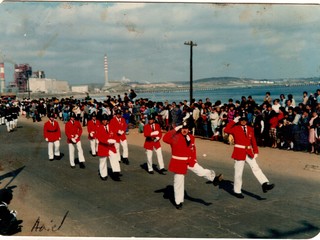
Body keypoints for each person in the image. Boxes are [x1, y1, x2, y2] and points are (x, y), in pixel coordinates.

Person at [163, 121, 223, 210]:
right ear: (180, 129)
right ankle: (178, 202)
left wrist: (194, 159)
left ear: (189, 130)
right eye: (183, 129)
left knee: (200, 171)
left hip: (189, 160)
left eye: (186, 129)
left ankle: (214, 178)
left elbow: (193, 148)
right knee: (179, 182)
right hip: (178, 162)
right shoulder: (175, 137)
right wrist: (175, 129)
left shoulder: (191, 137)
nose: (184, 130)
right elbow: (165, 138)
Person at [224, 113, 275, 198]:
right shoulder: (235, 128)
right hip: (239, 151)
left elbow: (253, 140)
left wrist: (256, 151)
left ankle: (264, 183)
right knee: (238, 172)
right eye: (242, 120)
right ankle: (237, 191)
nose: (243, 122)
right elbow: (226, 129)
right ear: (239, 121)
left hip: (248, 151)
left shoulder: (250, 129)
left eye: (245, 120)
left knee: (256, 168)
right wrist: (233, 121)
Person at [96, 114, 121, 181]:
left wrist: (114, 140)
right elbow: (99, 137)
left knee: (114, 159)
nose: (104, 121)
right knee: (103, 161)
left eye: (105, 120)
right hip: (103, 146)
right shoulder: (99, 128)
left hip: (111, 147)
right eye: (103, 120)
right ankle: (103, 174)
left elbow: (115, 134)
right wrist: (107, 141)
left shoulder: (111, 126)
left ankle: (116, 173)